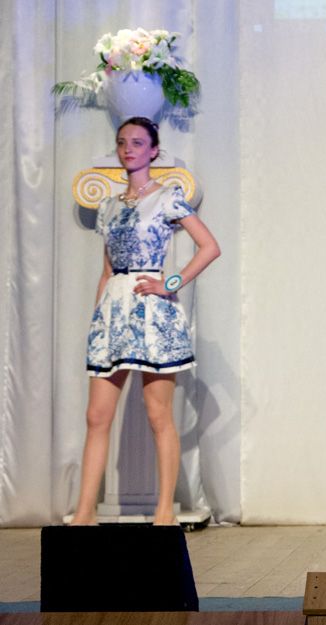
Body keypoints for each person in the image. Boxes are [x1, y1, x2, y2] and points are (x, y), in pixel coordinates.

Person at [69, 117, 221, 526]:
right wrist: (98, 318)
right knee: (96, 416)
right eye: (122, 142)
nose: (128, 149)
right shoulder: (109, 205)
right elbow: (107, 269)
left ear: (154, 150)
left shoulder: (168, 197)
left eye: (138, 142)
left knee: (158, 415)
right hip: (113, 313)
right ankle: (84, 515)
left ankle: (164, 512)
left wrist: (170, 283)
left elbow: (209, 246)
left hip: (153, 313)